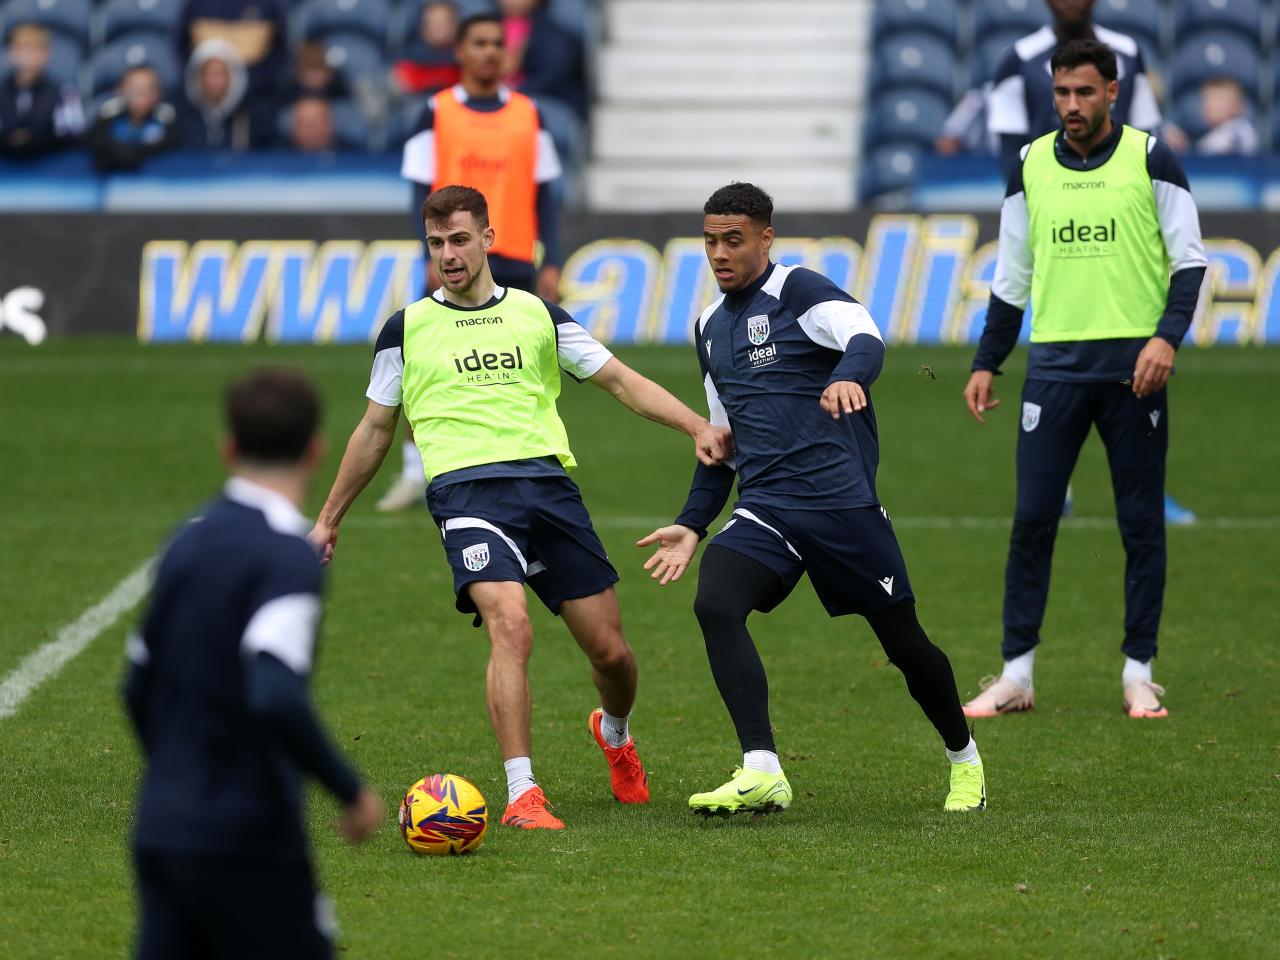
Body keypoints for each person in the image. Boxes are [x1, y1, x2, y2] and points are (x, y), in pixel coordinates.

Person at [309, 185, 732, 830]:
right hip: (466, 492)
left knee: (612, 655)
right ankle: (521, 793)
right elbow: (374, 430)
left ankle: (614, 733)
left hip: (548, 489)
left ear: (487, 238)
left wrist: (695, 426)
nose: (448, 255)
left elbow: (620, 379)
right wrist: (329, 518)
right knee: (512, 625)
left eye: (458, 240)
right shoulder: (406, 328)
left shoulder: (539, 314)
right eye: (435, 244)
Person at [637, 182, 987, 817]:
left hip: (841, 508)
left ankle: (964, 757)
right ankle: (762, 768)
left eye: (733, 240)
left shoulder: (799, 290)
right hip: (766, 509)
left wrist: (849, 374)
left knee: (905, 645)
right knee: (716, 601)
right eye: (711, 240)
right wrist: (692, 523)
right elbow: (721, 444)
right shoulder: (708, 328)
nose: (719, 253)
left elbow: (865, 336)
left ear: (766, 239)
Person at [960, 40, 1207, 721]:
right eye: (1062, 93)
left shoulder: (1150, 157)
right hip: (1055, 371)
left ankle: (1138, 671)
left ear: (1113, 93)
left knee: (1139, 524)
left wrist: (1165, 339)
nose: (1071, 105)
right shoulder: (1031, 163)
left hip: (1136, 372)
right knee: (1033, 520)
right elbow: (1011, 276)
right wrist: (988, 360)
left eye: (1085, 93)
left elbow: (1189, 262)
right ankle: (1016, 675)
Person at [123, 368, 383, 959]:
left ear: (229, 448)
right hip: (248, 834)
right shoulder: (286, 555)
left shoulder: (184, 542)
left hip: (161, 827)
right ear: (316, 452)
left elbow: (136, 683)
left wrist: (180, 772)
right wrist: (349, 790)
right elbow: (274, 690)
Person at [987, 0, 1194, 525]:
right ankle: (1062, 486)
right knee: (1060, 382)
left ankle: (1152, 491)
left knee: (1139, 372)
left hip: (1117, 207)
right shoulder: (1016, 58)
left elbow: (1148, 130)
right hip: (1053, 208)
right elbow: (1009, 144)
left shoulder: (1126, 52)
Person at [387, 12, 565, 512]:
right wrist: (429, 251)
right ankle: (411, 469)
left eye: (496, 44)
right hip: (454, 259)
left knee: (519, 366)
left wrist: (553, 260)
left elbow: (547, 196)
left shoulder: (530, 113)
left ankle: (515, 461)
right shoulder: (436, 111)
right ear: (460, 52)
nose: (490, 51)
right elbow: (419, 191)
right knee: (425, 364)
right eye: (479, 43)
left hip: (514, 257)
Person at [0, 24, 84, 159]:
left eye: (34, 50)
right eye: (22, 50)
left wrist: (34, 140)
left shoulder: (63, 91)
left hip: (50, 165)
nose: (27, 57)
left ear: (46, 54)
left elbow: (73, 133)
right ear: (11, 52)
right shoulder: (2, 90)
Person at [177, 0, 288, 99]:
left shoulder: (271, 4)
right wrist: (197, 81)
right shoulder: (196, 4)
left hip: (258, 96)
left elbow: (281, 50)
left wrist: (259, 82)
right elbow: (180, 44)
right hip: (202, 100)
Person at [498, 0, 586, 118]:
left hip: (538, 97)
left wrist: (513, 92)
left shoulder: (555, 36)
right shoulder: (486, 25)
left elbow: (552, 77)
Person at [179, 38, 268, 151]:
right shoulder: (181, 115)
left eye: (221, 74)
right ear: (198, 77)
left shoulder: (251, 117)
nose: (215, 82)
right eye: (209, 74)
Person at [88, 66, 181, 172]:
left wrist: (136, 153)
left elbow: (172, 146)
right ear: (120, 91)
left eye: (147, 89)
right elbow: (96, 142)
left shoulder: (167, 117)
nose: (140, 95)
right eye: (134, 90)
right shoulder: (108, 114)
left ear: (158, 93)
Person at [1164, 77, 1259, 158]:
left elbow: (1213, 150)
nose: (1209, 105)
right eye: (1207, 99)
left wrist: (1185, 148)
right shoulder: (1214, 133)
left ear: (1238, 106)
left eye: (1219, 99)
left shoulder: (1239, 129)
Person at [392, 1, 461, 96]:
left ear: (454, 26)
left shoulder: (464, 64)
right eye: (431, 24)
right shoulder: (409, 63)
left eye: (441, 24)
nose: (436, 30)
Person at [281, 41, 350, 104]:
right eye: (309, 74)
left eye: (318, 73)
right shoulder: (288, 95)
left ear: (329, 73)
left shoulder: (340, 92)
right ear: (298, 75)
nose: (314, 79)